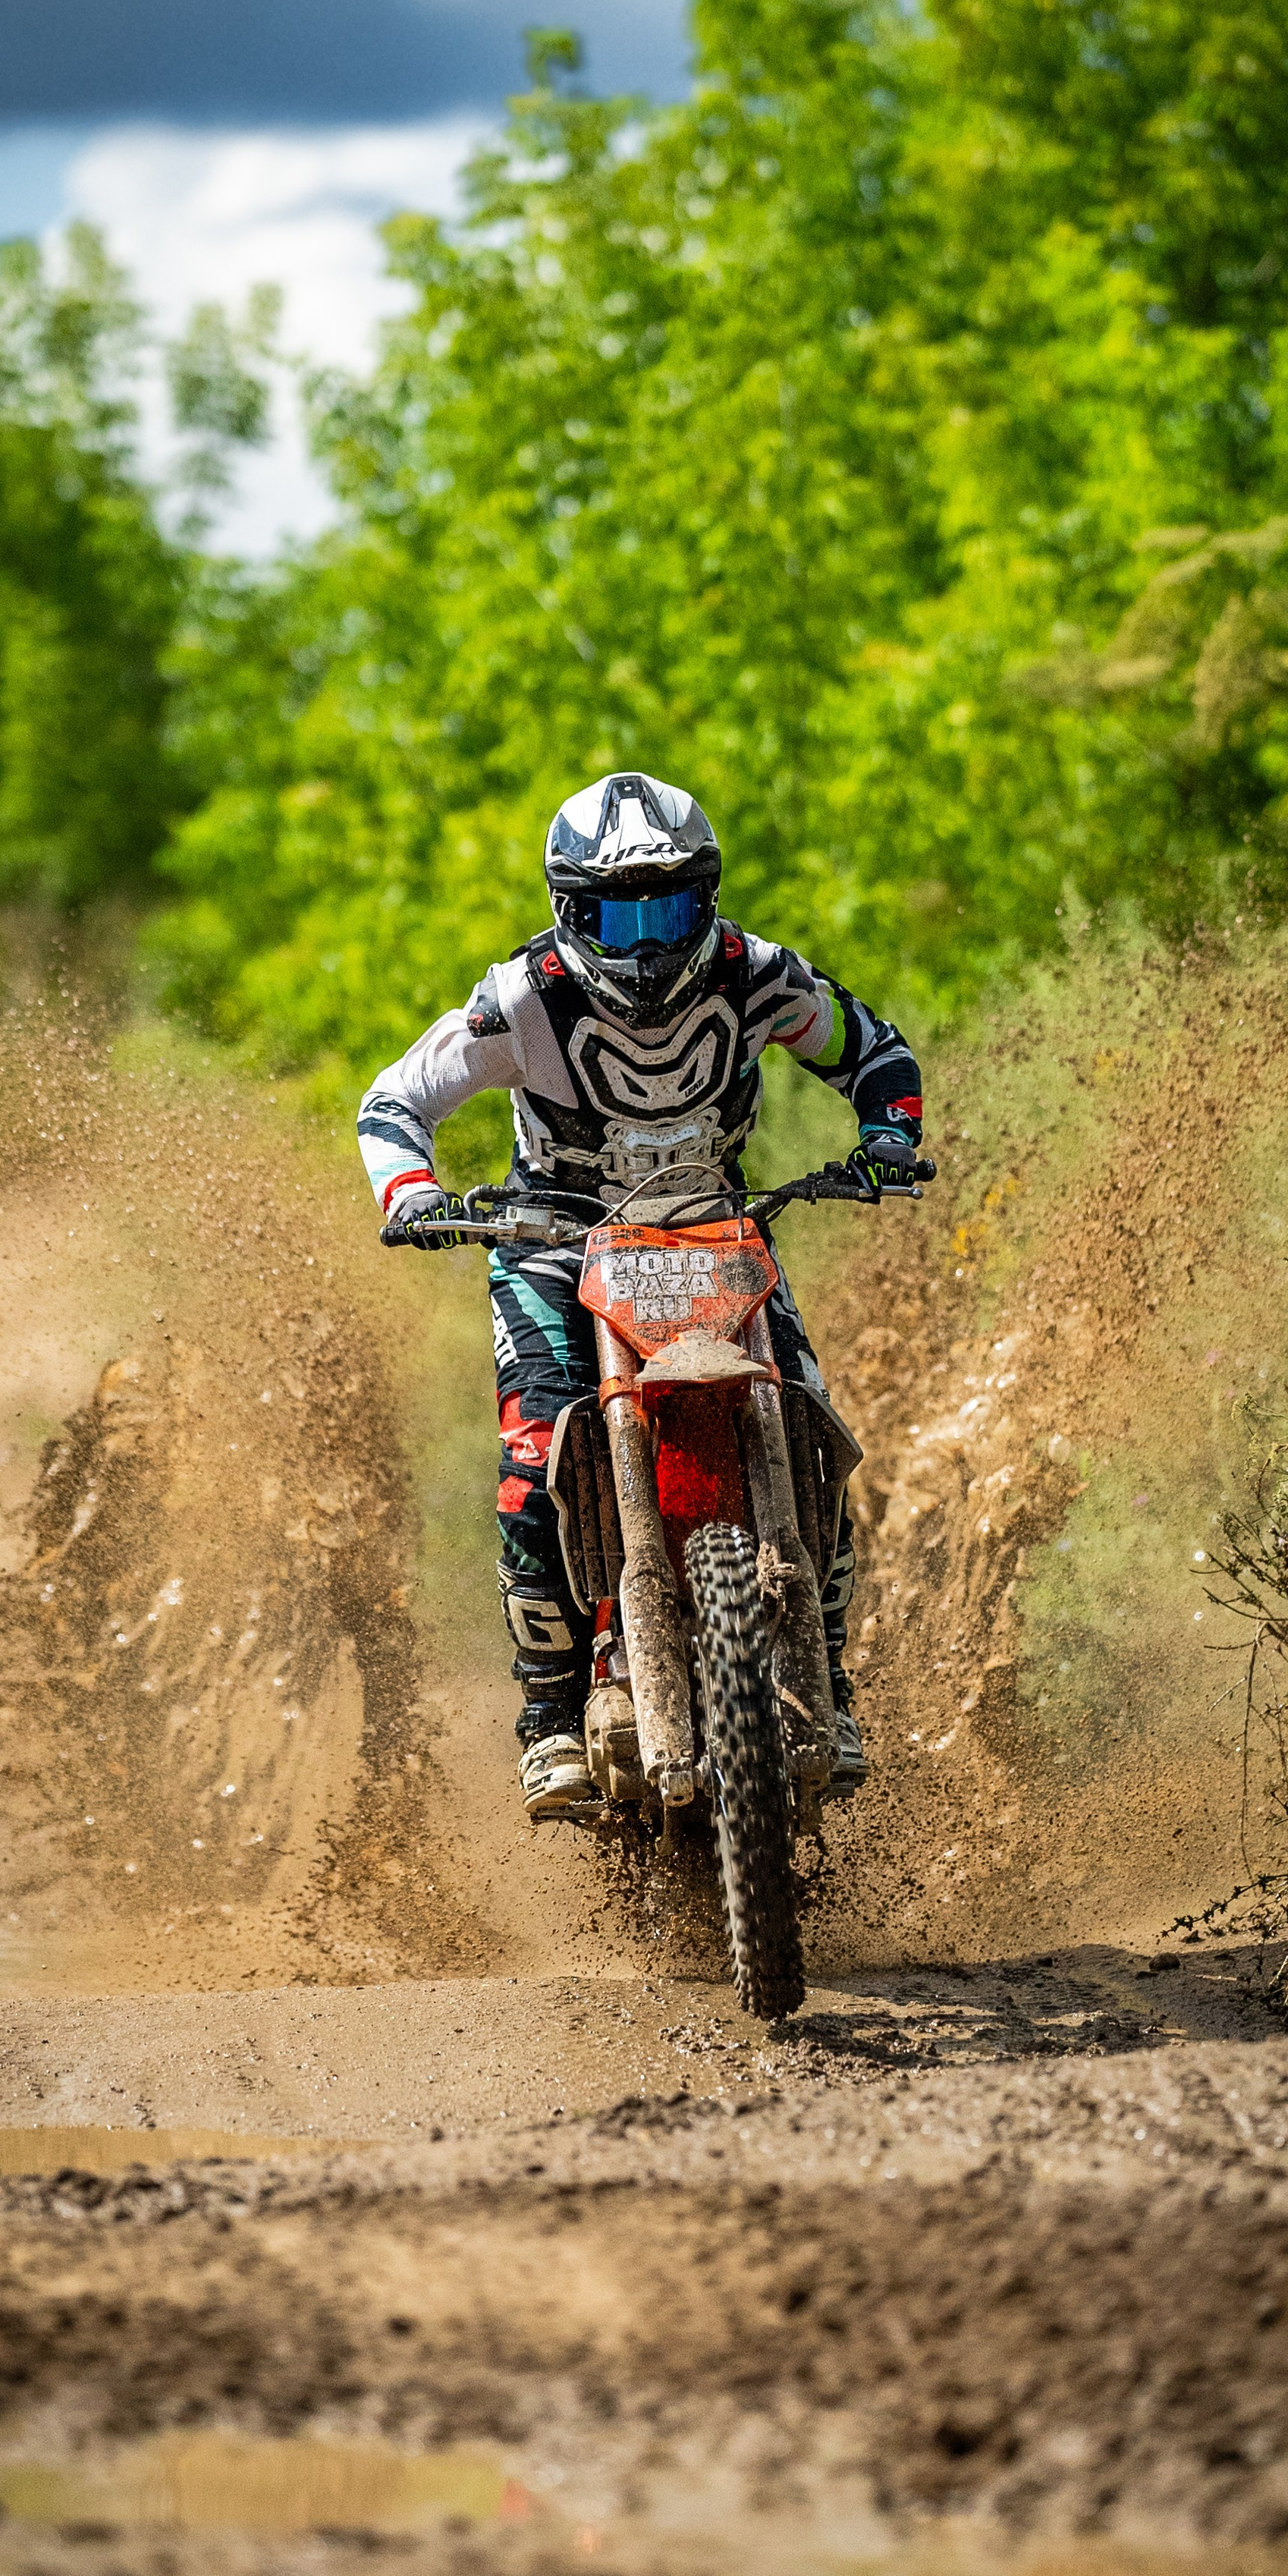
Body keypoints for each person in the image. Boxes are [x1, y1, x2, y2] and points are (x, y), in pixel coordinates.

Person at [357, 772, 923, 1820]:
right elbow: (395, 1100)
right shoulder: (521, 996)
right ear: (570, 911)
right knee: (533, 1464)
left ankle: (829, 1685)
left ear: (705, 898)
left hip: (719, 1232)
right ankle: (549, 1718)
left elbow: (873, 1051)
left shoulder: (757, 975)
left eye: (668, 906)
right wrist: (417, 1194)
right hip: (552, 1242)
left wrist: (888, 1138)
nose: (648, 940)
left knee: (816, 1434)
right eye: (621, 913)